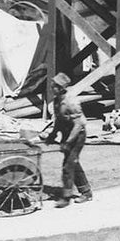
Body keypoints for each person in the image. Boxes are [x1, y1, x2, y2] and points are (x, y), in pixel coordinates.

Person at [35, 73, 92, 207]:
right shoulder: (57, 100)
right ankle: (86, 192)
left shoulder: (71, 102)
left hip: (77, 136)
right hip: (68, 134)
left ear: (60, 88)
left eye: (54, 86)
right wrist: (52, 136)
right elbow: (59, 121)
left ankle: (66, 198)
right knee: (73, 163)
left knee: (68, 166)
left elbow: (79, 125)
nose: (51, 88)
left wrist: (68, 142)